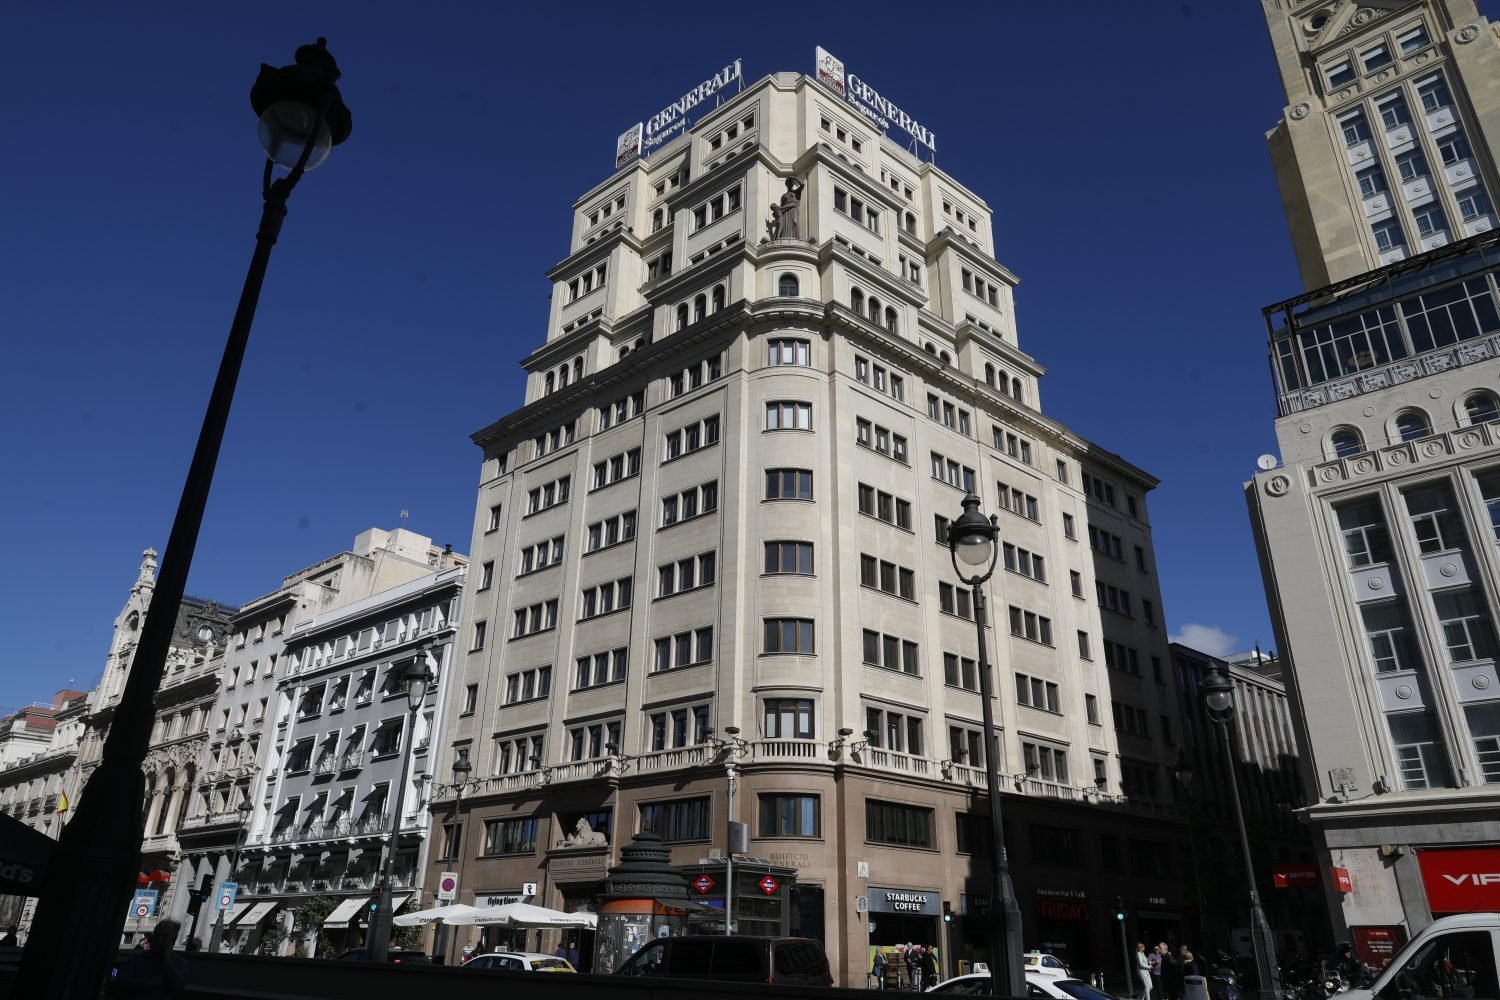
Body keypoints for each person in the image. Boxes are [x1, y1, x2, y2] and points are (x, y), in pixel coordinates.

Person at [112, 918, 187, 998]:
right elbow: (121, 983)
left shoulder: (179, 962)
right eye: (157, 935)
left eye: (165, 936)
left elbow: (178, 988)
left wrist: (167, 960)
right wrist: (154, 982)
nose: (159, 939)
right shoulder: (136, 958)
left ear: (172, 940)